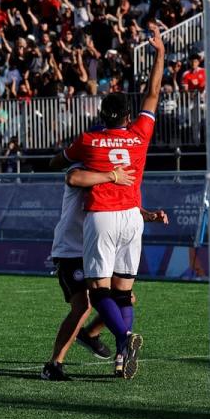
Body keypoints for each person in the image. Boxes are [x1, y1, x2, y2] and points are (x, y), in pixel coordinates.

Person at [48, 22, 165, 379]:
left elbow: (64, 167)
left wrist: (65, 158)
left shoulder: (88, 141)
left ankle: (124, 338)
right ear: (128, 117)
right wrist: (160, 53)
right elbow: (153, 94)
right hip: (132, 217)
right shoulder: (139, 135)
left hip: (102, 217)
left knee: (98, 293)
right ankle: (119, 357)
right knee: (124, 294)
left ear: (102, 117)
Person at [42, 161, 169, 381]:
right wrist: (112, 175)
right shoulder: (84, 168)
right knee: (84, 305)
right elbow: (73, 178)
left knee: (126, 297)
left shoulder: (110, 170)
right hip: (71, 249)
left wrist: (146, 215)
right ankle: (54, 365)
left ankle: (97, 340)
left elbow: (117, 203)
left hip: (102, 246)